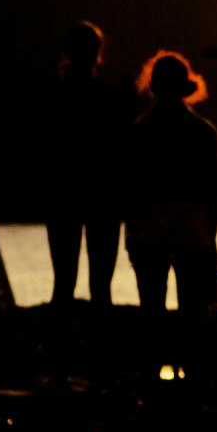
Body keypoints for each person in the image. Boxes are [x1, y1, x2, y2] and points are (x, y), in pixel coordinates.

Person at [126, 50, 217, 332]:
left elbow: (132, 186)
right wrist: (210, 232)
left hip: (149, 228)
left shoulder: (140, 132)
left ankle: (152, 369)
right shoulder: (203, 132)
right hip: (192, 229)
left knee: (151, 309)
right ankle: (192, 370)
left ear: (153, 88)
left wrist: (131, 230)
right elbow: (212, 189)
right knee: (193, 313)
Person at [43, 21, 125, 306]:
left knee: (63, 281)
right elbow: (123, 147)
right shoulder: (112, 98)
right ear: (97, 54)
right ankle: (100, 343)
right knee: (101, 286)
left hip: (62, 192)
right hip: (103, 193)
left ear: (66, 51)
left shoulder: (52, 95)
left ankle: (59, 341)